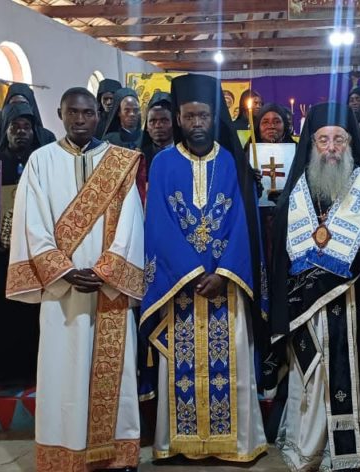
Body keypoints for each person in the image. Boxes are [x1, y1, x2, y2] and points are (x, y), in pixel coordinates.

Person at [6, 87, 143, 471]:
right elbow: (32, 222)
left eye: (87, 113)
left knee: (115, 373)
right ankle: (66, 453)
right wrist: (63, 270)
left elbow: (132, 220)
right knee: (62, 371)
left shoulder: (121, 161)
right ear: (59, 114)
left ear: (98, 115)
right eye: (72, 113)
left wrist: (108, 268)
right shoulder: (40, 161)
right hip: (62, 290)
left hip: (108, 287)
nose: (80, 119)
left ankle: (118, 455)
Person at [141, 73, 267, 463]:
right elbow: (157, 223)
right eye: (190, 115)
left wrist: (223, 271)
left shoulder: (231, 162)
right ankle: (178, 442)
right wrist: (193, 271)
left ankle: (236, 443)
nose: (197, 123)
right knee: (177, 368)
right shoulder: (162, 163)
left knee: (232, 365)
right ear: (178, 118)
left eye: (204, 116)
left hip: (225, 285)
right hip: (178, 288)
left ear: (214, 119)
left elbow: (243, 225)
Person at [271, 102, 360, 471]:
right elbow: (282, 252)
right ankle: (306, 447)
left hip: (351, 302)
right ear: (312, 144)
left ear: (349, 144)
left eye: (339, 139)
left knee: (345, 370)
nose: (331, 147)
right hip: (304, 307)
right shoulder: (297, 192)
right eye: (323, 139)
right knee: (310, 370)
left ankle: (345, 450)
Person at [0, 102, 42, 386]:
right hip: (3, 258)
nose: (21, 133)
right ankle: (4, 367)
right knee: (4, 311)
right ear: (5, 131)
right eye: (15, 127)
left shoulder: (44, 162)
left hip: (37, 256)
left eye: (26, 127)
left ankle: (37, 367)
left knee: (35, 312)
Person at [0, 82, 56, 156]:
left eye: (23, 103)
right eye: (14, 103)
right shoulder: (0, 137)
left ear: (31, 106)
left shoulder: (47, 137)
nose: (19, 108)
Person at [137, 92, 175, 202]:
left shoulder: (186, 154)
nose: (158, 125)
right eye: (152, 121)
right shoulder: (139, 158)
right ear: (147, 127)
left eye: (164, 120)